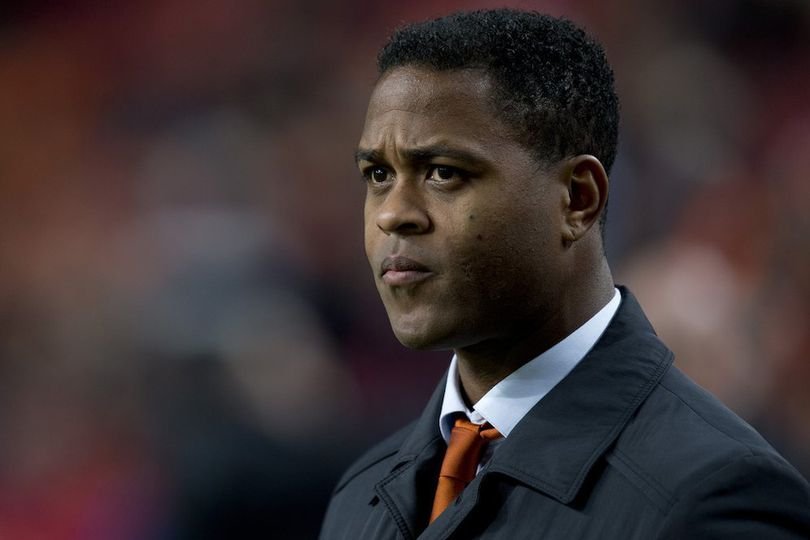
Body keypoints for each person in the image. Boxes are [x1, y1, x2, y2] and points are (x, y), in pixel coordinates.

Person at [320, 9, 810, 539]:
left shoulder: (717, 498)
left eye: (443, 172)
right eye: (378, 174)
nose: (393, 214)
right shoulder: (359, 495)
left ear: (578, 199)